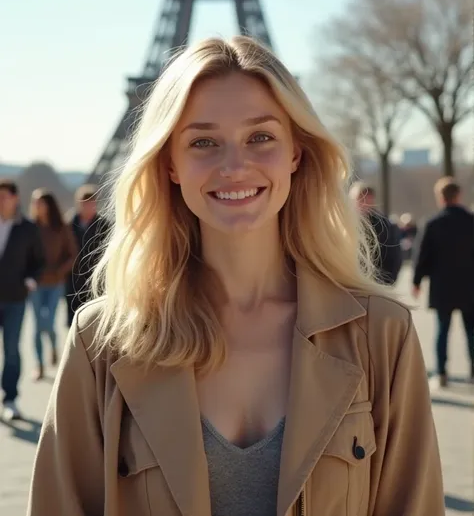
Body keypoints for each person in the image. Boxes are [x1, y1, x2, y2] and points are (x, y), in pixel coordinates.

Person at [28, 37, 444, 516]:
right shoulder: (100, 341)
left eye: (260, 137)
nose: (234, 166)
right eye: (203, 142)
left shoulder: (382, 335)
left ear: (296, 153)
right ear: (170, 165)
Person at [413, 177, 474, 388]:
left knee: (442, 331)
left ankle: (441, 373)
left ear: (440, 197)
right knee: (472, 331)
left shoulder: (432, 223)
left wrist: (416, 281)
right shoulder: (471, 221)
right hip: (470, 286)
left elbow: (422, 256)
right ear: (459, 195)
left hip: (442, 287)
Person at [0, 180, 44, 421]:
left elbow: (39, 261)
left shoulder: (28, 228)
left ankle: (10, 399)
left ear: (15, 198)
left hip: (15, 298)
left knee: (11, 349)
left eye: (5, 196)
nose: (1, 201)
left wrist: (31, 279)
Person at [29, 189, 77, 380]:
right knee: (37, 326)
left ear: (49, 205)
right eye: (34, 203)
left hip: (55, 283)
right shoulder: (30, 228)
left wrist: (59, 272)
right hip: (35, 284)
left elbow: (73, 254)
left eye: (40, 202)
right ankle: (39, 365)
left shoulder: (61, 227)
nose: (36, 206)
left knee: (46, 322)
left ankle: (55, 344)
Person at [65, 184, 109, 326]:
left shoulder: (105, 225)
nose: (87, 206)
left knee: (94, 318)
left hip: (95, 277)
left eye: (90, 202)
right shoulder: (68, 224)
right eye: (84, 203)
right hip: (73, 277)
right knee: (73, 318)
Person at [350, 182, 402, 285]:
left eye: (367, 199)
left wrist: (388, 280)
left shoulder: (384, 225)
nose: (364, 203)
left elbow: (393, 254)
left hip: (377, 281)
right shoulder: (344, 222)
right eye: (360, 198)